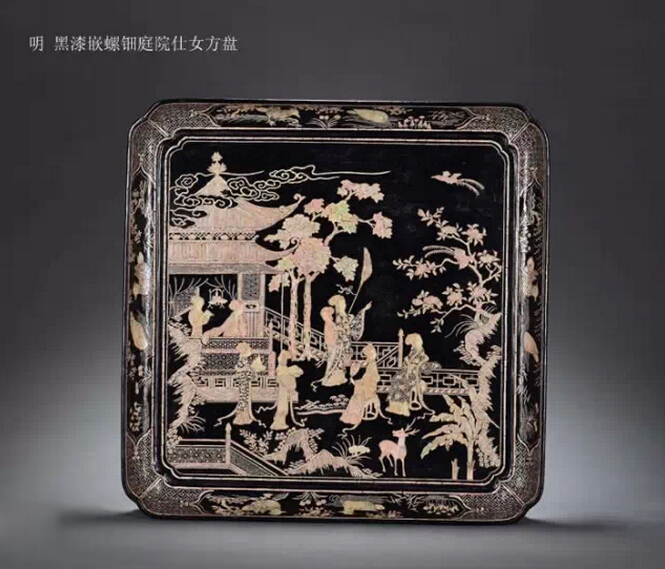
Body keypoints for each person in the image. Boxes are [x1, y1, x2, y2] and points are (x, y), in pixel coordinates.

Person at [321, 295, 371, 387]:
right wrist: (344, 329)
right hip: (339, 344)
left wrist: (362, 311)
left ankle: (340, 378)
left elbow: (352, 327)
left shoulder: (346, 316)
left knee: (342, 363)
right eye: (341, 303)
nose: (344, 305)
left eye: (343, 303)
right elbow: (338, 329)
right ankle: (332, 379)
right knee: (336, 362)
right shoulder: (338, 317)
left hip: (346, 344)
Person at [340, 344, 383, 427]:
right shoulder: (369, 362)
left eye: (366, 354)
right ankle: (352, 416)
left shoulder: (372, 364)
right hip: (367, 384)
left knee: (357, 395)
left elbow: (367, 377)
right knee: (356, 394)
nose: (365, 356)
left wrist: (357, 382)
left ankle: (354, 417)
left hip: (369, 386)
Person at [386, 333, 429, 417]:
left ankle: (402, 408)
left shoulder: (420, 351)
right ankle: (395, 406)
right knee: (396, 379)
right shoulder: (414, 349)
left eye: (412, 342)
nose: (412, 344)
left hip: (414, 375)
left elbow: (416, 363)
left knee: (401, 382)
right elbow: (409, 360)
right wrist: (407, 361)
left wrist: (408, 362)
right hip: (409, 373)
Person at [271, 351, 303, 430]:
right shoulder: (281, 369)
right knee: (282, 408)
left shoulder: (284, 369)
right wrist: (290, 388)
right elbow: (284, 379)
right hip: (282, 391)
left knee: (284, 408)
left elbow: (297, 373)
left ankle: (282, 422)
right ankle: (278, 423)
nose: (285, 361)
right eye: (284, 359)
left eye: (285, 360)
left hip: (284, 391)